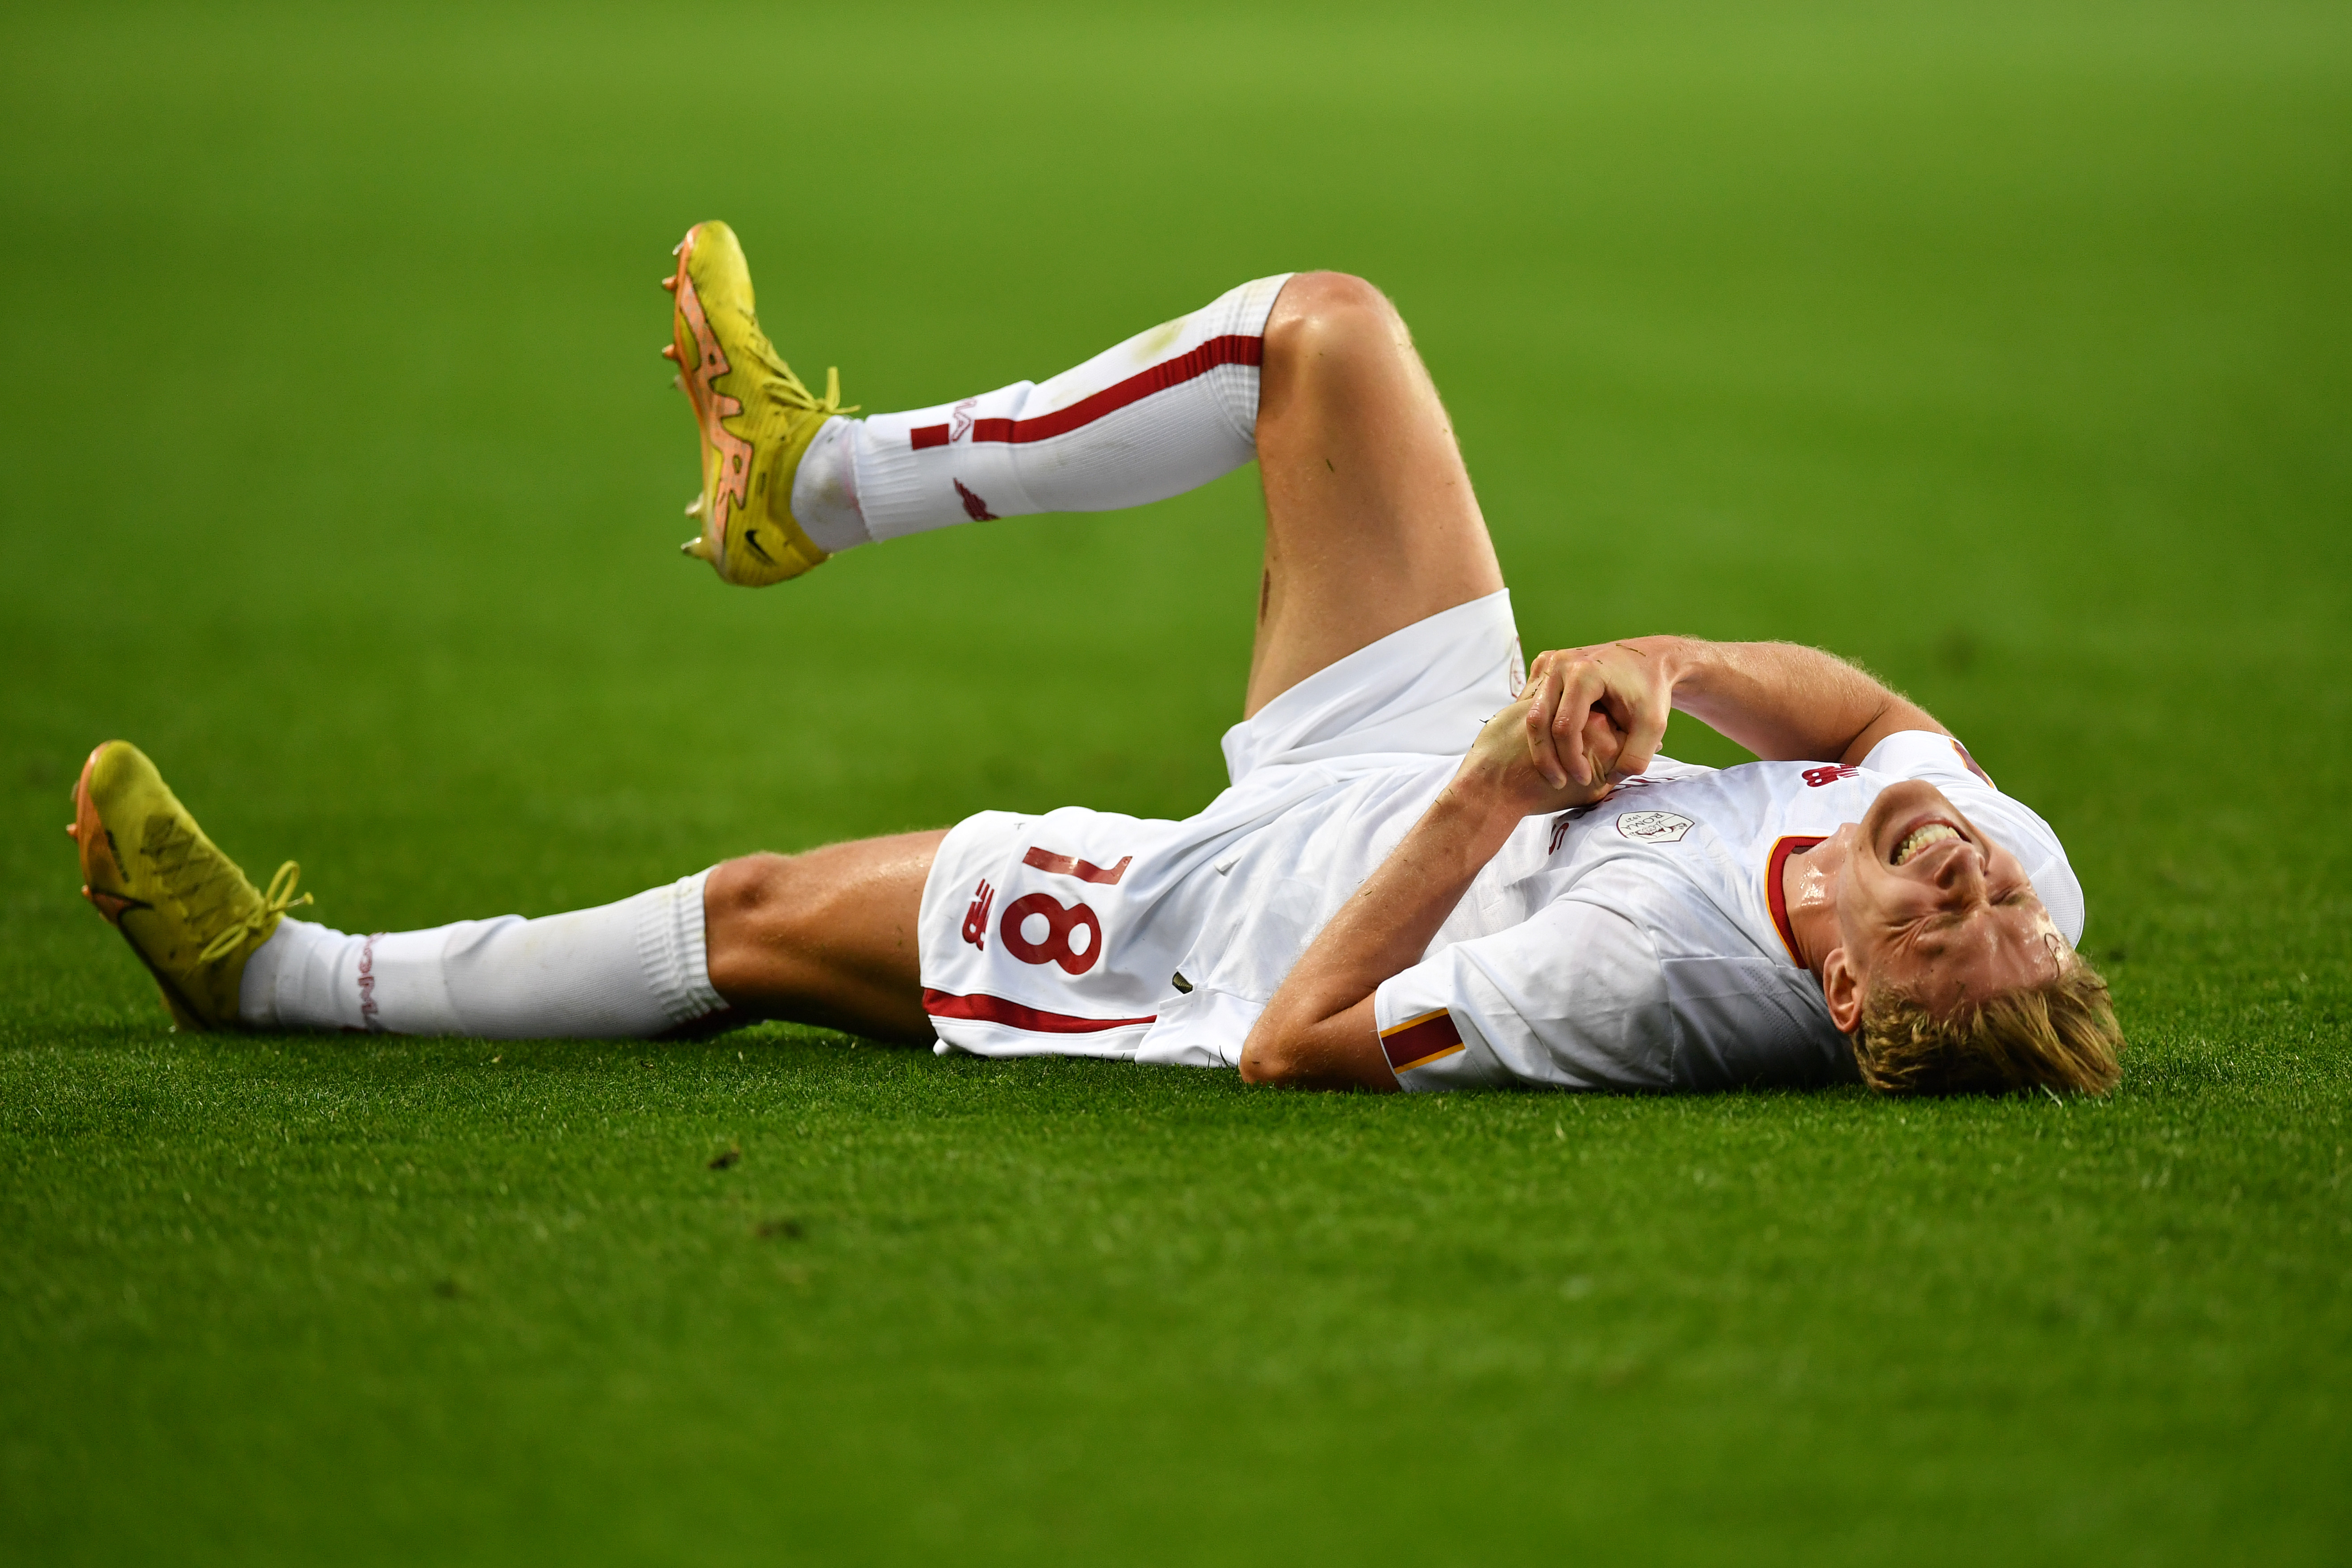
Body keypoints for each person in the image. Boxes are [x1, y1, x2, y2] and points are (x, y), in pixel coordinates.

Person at [67, 223, 2123, 1096]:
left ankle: (273, 983)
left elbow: (1303, 1042)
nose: (1968, 869)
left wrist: (1505, 783)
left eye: (1943, 912)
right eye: (1995, 884)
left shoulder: (1635, 987)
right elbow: (1864, 722)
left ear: (1845, 988)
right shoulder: (2005, 848)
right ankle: (811, 478)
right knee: (1323, 330)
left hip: (1272, 917)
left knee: (774, 921)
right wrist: (1662, 658)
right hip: (1439, 737)